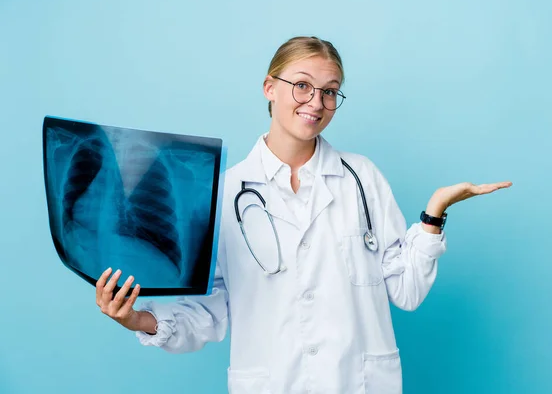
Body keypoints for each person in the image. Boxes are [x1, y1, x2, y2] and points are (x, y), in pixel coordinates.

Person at [95, 36, 512, 394]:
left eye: (330, 91)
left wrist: (433, 215)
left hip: (357, 383)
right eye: (302, 85)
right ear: (268, 88)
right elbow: (211, 309)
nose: (317, 102)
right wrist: (136, 319)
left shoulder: (362, 178)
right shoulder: (224, 194)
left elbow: (407, 291)